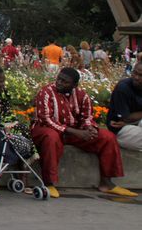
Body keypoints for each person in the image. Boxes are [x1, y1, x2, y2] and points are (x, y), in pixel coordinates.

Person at [30, 67, 136, 198]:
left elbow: (87, 117)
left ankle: (107, 183)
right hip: (49, 129)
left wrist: (89, 128)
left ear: (74, 85)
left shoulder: (82, 95)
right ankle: (49, 183)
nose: (60, 83)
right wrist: (75, 132)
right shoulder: (46, 92)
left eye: (65, 81)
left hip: (74, 132)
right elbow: (45, 119)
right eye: (59, 79)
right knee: (51, 137)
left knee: (107, 137)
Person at [107, 61, 142, 151]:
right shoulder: (123, 88)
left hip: (136, 123)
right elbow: (126, 118)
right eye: (134, 73)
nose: (136, 77)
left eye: (141, 75)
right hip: (120, 129)